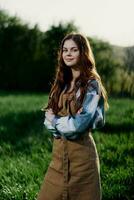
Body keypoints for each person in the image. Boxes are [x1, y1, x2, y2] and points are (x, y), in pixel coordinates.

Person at [37, 32, 109, 200]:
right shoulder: (61, 82)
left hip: (83, 164)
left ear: (83, 53)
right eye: (65, 50)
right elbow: (47, 121)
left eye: (74, 50)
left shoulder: (91, 85)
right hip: (57, 161)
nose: (68, 54)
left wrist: (55, 120)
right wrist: (61, 124)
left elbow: (78, 126)